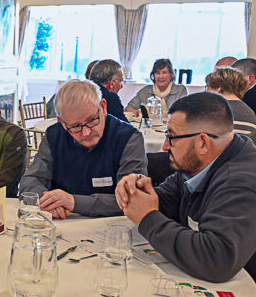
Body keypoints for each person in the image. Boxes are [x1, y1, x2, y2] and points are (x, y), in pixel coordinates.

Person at [115, 92, 256, 283]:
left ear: (203, 142)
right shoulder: (201, 164)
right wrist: (137, 192)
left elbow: (217, 259)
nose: (165, 146)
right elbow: (165, 200)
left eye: (171, 137)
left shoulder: (240, 181)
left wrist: (148, 218)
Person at [19, 79, 146, 218]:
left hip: (111, 228)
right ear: (62, 122)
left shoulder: (129, 138)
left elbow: (131, 199)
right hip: (63, 224)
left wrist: (73, 202)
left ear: (103, 107)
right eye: (75, 126)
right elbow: (31, 181)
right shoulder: (54, 135)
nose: (86, 132)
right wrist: (48, 202)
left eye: (91, 120)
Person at [205, 67, 256, 140]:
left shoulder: (213, 110)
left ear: (219, 88)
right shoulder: (250, 113)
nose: (206, 91)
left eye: (208, 87)